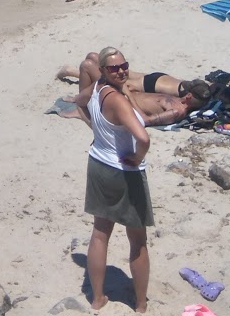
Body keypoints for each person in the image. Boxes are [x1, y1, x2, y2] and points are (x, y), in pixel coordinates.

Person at [78, 46, 153, 311]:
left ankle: (98, 298)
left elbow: (78, 100)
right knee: (137, 241)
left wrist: (93, 126)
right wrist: (136, 156)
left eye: (124, 66)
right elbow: (143, 138)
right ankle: (141, 303)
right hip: (124, 172)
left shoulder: (97, 89)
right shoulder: (117, 101)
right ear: (103, 71)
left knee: (100, 233)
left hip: (98, 163)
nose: (121, 71)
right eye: (114, 68)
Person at [61, 54, 213, 126]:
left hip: (119, 99)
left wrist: (127, 94)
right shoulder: (177, 99)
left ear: (189, 97)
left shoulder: (176, 111)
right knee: (93, 57)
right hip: (126, 92)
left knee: (87, 65)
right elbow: (151, 98)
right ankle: (82, 100)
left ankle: (83, 110)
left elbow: (145, 121)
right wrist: (133, 90)